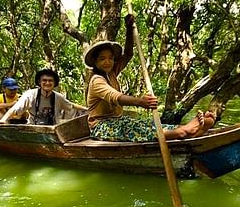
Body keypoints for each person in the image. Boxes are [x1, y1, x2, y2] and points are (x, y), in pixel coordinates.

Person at [84, 38, 215, 142]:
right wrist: (140, 102)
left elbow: (128, 54)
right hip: (101, 127)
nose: (107, 61)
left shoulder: (111, 73)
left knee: (147, 124)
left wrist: (129, 28)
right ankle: (182, 132)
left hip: (118, 120)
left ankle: (190, 130)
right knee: (135, 130)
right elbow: (116, 96)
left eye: (110, 58)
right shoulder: (97, 80)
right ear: (95, 62)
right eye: (102, 59)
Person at [0, 69, 88, 130]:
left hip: (53, 129)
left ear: (54, 83)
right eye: (44, 80)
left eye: (50, 81)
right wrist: (3, 120)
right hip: (34, 128)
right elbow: (15, 109)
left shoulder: (58, 97)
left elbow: (72, 105)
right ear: (39, 82)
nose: (47, 83)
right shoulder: (30, 94)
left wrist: (88, 109)